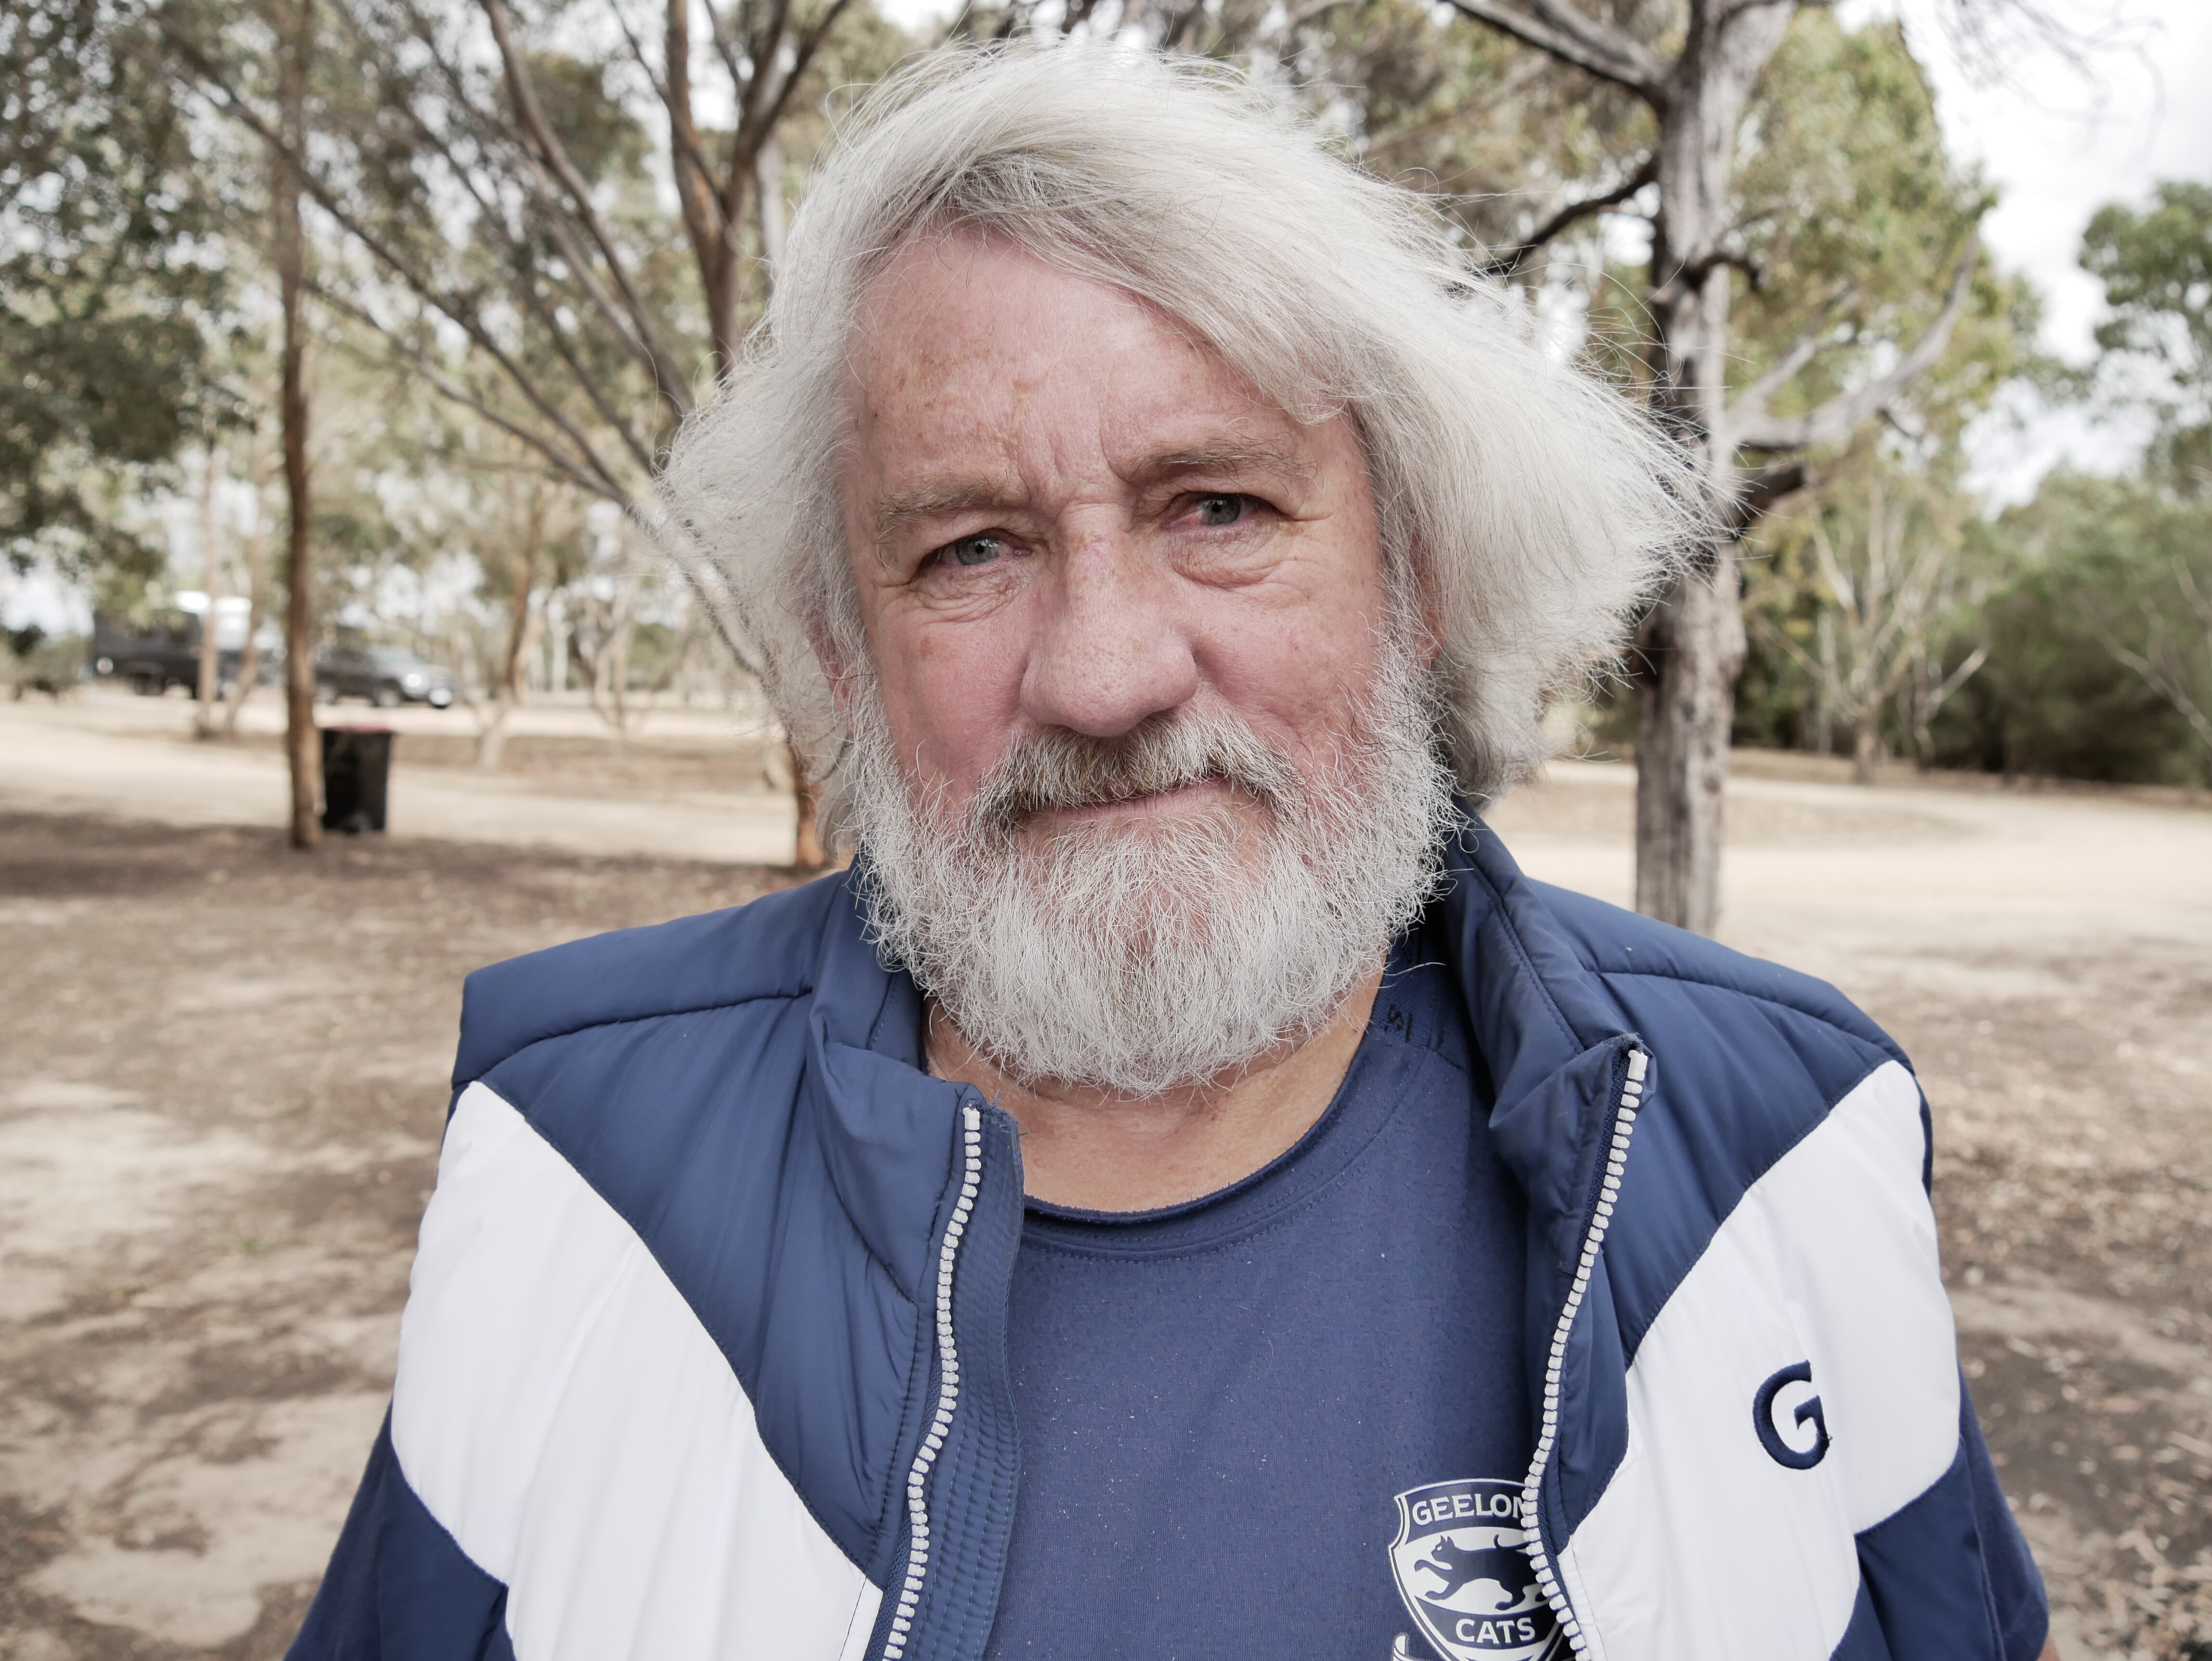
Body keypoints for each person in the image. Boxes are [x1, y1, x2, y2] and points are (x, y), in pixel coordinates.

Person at [290, 45, 2052, 1661]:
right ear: (847, 655)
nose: (1107, 673)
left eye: (1219, 508)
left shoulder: (1785, 1138)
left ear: (1418, 582)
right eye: (971, 548)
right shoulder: (574, 1157)